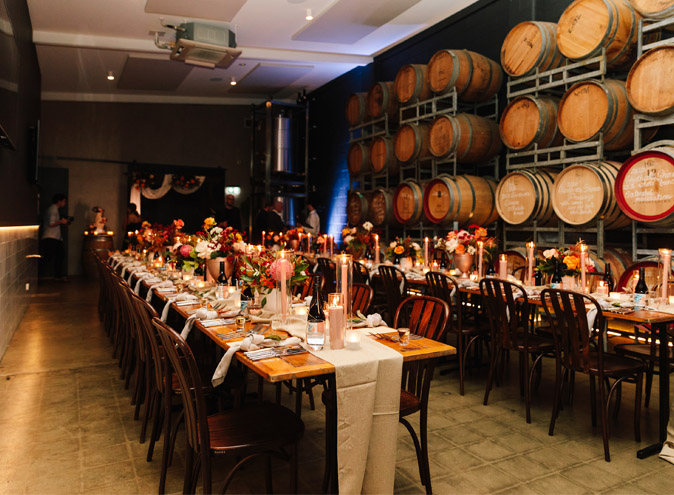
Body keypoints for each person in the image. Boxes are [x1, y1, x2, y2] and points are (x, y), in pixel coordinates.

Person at [40, 193, 70, 281]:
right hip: (51, 237)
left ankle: (58, 276)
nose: (65, 203)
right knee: (49, 257)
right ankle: (57, 276)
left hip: (54, 237)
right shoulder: (53, 209)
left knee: (58, 255)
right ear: (59, 201)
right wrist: (61, 222)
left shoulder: (52, 209)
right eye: (64, 201)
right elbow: (51, 223)